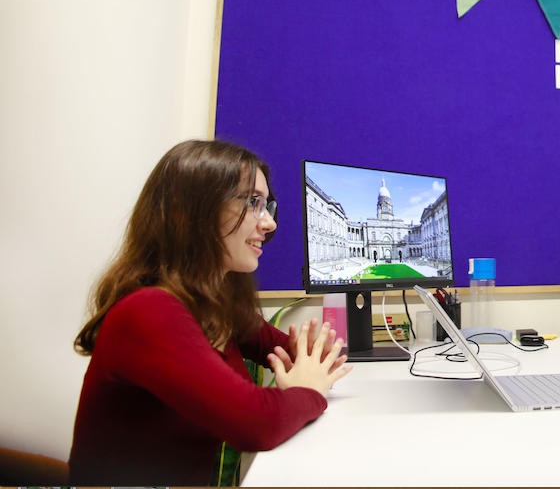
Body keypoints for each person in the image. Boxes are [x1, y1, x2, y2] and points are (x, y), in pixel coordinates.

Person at [69, 140, 353, 486]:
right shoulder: (149, 310)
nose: (270, 224)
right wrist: (307, 390)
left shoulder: (214, 305)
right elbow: (255, 424)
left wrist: (310, 364)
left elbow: (293, 353)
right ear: (185, 212)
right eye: (253, 203)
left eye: (267, 206)